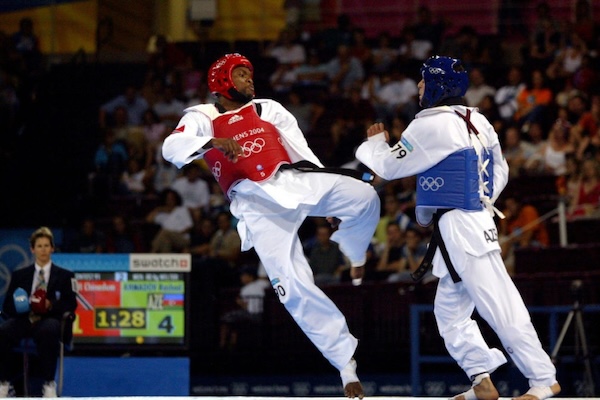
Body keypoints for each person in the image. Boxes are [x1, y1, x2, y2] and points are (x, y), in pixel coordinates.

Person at [162, 53, 380, 398]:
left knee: (364, 196)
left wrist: (327, 198)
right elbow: (171, 148)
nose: (250, 80)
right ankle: (344, 365)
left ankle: (353, 248)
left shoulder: (267, 109)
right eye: (242, 75)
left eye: (250, 74)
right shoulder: (202, 116)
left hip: (294, 180)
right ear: (222, 82)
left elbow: (302, 152)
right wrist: (212, 143)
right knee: (292, 286)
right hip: (256, 206)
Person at [355, 55, 560, 400]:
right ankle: (481, 380)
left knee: (499, 304)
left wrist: (375, 144)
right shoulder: (478, 120)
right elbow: (501, 170)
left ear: (436, 84)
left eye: (422, 81)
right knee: (449, 313)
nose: (418, 87)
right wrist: (481, 201)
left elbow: (389, 167)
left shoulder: (430, 124)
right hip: (467, 222)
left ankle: (543, 378)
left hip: (463, 227)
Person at [0, 227, 77, 398]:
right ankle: (4, 383)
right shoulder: (20, 275)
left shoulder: (65, 276)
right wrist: (21, 305)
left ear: (52, 248)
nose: (43, 249)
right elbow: (7, 307)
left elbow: (71, 303)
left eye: (46, 246)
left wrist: (51, 305)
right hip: (24, 319)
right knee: (4, 331)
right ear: (32, 249)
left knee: (48, 331)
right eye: (39, 246)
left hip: (49, 319)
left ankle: (48, 384)